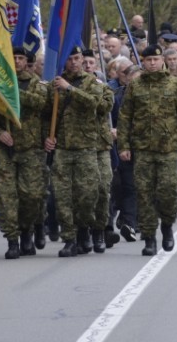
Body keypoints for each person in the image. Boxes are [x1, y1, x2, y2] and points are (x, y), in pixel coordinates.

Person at [117, 44, 177, 256]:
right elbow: (125, 117)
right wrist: (123, 145)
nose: (152, 63)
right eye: (148, 60)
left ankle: (167, 227)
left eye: (156, 59)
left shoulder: (174, 84)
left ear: (162, 61)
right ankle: (149, 237)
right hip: (142, 149)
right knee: (144, 194)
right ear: (143, 62)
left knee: (168, 191)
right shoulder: (135, 86)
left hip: (168, 149)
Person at [0, 47, 52, 259]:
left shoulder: (37, 84)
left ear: (27, 61)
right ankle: (12, 240)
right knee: (7, 198)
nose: (17, 61)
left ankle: (28, 229)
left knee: (32, 195)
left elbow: (40, 103)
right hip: (5, 150)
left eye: (20, 58)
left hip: (31, 149)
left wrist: (10, 90)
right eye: (13, 58)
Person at [51, 45, 113, 256]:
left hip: (89, 146)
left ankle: (93, 229)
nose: (75, 62)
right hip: (63, 147)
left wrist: (69, 89)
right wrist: (47, 137)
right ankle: (70, 238)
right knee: (63, 196)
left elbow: (96, 103)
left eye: (78, 58)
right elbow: (46, 114)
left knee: (91, 193)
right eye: (70, 59)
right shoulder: (55, 83)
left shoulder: (93, 83)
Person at [107, 60, 139, 244]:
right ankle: (108, 226)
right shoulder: (116, 96)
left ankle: (129, 223)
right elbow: (107, 118)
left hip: (138, 149)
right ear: (126, 79)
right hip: (117, 149)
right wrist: (111, 131)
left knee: (131, 187)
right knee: (113, 187)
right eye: (132, 80)